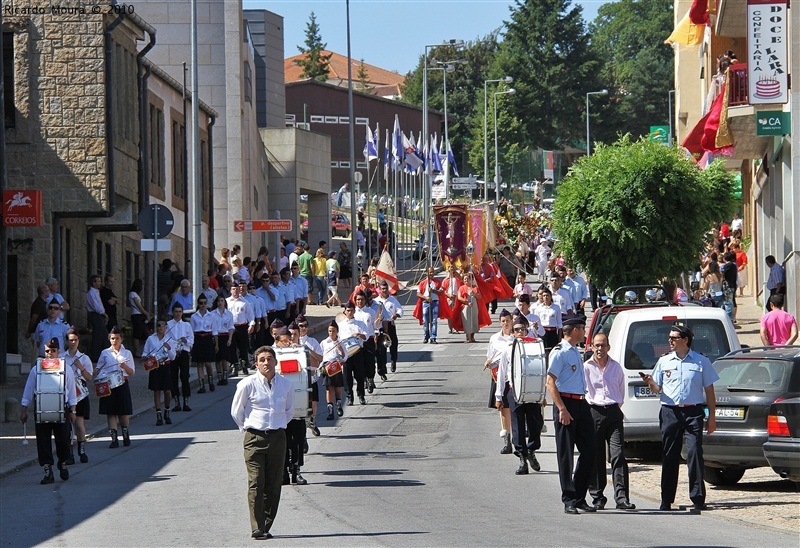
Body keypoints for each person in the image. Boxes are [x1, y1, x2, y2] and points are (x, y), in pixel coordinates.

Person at [640, 324, 718, 513]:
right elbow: (657, 388)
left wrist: (712, 418)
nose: (670, 341)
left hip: (693, 412)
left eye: (674, 338)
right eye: (670, 338)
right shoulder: (664, 361)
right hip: (670, 412)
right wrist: (650, 382)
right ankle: (666, 499)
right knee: (669, 455)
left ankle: (698, 498)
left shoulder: (701, 361)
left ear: (685, 340)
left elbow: (709, 391)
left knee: (694, 454)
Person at [231, 345, 293, 540]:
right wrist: (249, 428)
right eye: (262, 360)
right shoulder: (247, 384)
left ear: (275, 361)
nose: (266, 363)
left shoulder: (286, 384)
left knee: (274, 484)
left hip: (278, 438)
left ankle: (266, 524)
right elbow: (236, 412)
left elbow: (289, 411)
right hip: (254, 438)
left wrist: (277, 425)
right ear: (256, 364)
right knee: (257, 482)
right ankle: (257, 527)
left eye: (269, 359)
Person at [546, 316, 596, 514]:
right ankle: (569, 498)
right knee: (566, 454)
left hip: (581, 402)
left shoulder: (575, 350)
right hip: (565, 403)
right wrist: (561, 408)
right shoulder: (560, 352)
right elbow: (550, 382)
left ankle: (579, 495)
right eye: (583, 329)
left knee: (590, 450)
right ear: (575, 330)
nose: (584, 332)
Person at [584, 333, 635, 510]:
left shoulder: (616, 367)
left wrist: (614, 406)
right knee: (596, 456)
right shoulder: (586, 367)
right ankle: (597, 496)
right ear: (591, 347)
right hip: (594, 411)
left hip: (613, 411)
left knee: (618, 454)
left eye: (603, 345)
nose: (600, 349)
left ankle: (621, 497)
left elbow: (620, 390)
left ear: (608, 347)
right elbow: (584, 391)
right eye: (597, 345)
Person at [20, 338, 78, 484]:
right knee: (43, 441)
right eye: (47, 351)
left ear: (58, 351)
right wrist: (24, 409)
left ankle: (63, 463)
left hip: (61, 408)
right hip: (42, 409)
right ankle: (48, 470)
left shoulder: (66, 368)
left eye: (53, 351)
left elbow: (71, 390)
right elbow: (28, 389)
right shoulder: (36, 369)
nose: (50, 354)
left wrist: (73, 409)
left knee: (63, 439)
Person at [495, 315, 543, 475]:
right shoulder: (508, 350)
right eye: (516, 330)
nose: (520, 332)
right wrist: (498, 396)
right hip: (514, 391)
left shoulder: (535, 345)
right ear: (513, 332)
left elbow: (541, 369)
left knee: (536, 424)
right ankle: (522, 458)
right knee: (518, 427)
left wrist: (542, 393)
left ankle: (531, 450)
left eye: (522, 328)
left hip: (532, 390)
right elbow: (502, 374)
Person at [95, 327, 136, 448]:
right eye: (112, 338)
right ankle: (114, 439)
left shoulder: (127, 353)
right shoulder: (105, 353)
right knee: (111, 412)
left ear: (121, 339)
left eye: (117, 338)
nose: (115, 340)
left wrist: (124, 366)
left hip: (122, 383)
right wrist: (95, 372)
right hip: (109, 384)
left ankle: (125, 435)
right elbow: (99, 367)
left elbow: (132, 372)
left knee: (123, 412)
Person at [485, 310, 515, 454]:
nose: (506, 323)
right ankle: (507, 439)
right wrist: (488, 361)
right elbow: (489, 356)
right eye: (503, 321)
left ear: (512, 320)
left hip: (514, 377)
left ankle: (518, 438)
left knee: (516, 407)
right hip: (499, 376)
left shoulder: (516, 337)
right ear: (500, 322)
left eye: (508, 320)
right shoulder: (494, 338)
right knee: (503, 407)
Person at [62, 329, 93, 463]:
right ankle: (69, 454)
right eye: (71, 340)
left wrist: (81, 367)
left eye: (75, 340)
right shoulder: (62, 357)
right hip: (67, 392)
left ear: (78, 341)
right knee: (67, 425)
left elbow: (89, 378)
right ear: (67, 341)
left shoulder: (84, 358)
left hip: (80, 392)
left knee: (79, 425)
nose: (73, 342)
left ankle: (81, 450)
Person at [143, 317, 176, 426]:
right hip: (155, 367)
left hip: (165, 366)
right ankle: (158, 415)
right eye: (158, 325)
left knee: (167, 391)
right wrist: (148, 358)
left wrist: (169, 348)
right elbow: (145, 353)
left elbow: (173, 357)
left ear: (166, 327)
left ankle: (167, 410)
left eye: (162, 325)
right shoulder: (151, 339)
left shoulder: (170, 339)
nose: (160, 328)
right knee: (156, 390)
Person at [337, 301, 368, 405]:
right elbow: (338, 339)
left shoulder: (360, 323)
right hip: (346, 354)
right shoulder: (340, 325)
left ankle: (361, 396)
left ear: (354, 311)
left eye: (351, 310)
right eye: (348, 310)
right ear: (344, 312)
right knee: (347, 377)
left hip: (358, 352)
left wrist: (359, 334)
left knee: (359, 375)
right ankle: (349, 397)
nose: (350, 312)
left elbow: (366, 336)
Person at [167, 303, 194, 412]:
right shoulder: (169, 324)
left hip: (183, 352)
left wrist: (186, 341)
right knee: (173, 377)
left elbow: (191, 339)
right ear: (173, 312)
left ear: (182, 312)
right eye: (176, 311)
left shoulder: (186, 325)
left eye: (179, 311)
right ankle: (176, 401)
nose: (178, 314)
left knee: (185, 376)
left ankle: (186, 401)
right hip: (173, 353)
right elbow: (167, 339)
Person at [373, 281, 403, 375]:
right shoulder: (376, 301)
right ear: (379, 290)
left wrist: (396, 314)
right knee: (381, 348)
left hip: (390, 325)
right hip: (380, 326)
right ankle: (383, 367)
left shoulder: (393, 300)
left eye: (386, 289)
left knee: (393, 344)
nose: (384, 291)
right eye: (382, 289)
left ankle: (393, 360)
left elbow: (400, 309)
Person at [227, 282, 255, 377]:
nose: (235, 291)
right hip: (231, 328)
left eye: (237, 289)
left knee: (243, 347)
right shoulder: (226, 302)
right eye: (233, 289)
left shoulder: (244, 302)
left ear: (239, 290)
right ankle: (234, 366)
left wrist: (251, 325)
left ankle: (244, 365)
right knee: (232, 348)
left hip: (242, 327)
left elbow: (250, 315)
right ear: (230, 290)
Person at [320, 321, 346, 419]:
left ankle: (338, 403)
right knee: (329, 388)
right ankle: (330, 410)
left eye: (333, 331)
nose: (331, 333)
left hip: (336, 368)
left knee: (337, 387)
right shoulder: (324, 343)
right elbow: (320, 355)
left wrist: (341, 350)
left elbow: (345, 356)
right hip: (327, 368)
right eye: (329, 331)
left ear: (337, 331)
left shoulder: (340, 342)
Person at [191, 295, 217, 393]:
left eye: (204, 303)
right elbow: (192, 331)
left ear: (207, 304)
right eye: (201, 303)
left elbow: (214, 331)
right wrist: (191, 345)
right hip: (198, 338)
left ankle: (210, 381)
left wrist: (216, 344)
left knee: (208, 363)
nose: (203, 305)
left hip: (207, 338)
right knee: (199, 363)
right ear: (198, 304)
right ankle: (201, 385)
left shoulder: (211, 316)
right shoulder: (194, 316)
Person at [354, 291, 378, 394]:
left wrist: (376, 336)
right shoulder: (352, 313)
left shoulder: (371, 312)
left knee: (370, 361)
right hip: (357, 341)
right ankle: (363, 379)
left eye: (362, 299)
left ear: (365, 300)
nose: (360, 301)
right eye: (358, 299)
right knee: (359, 363)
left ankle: (370, 378)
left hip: (369, 340)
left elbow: (375, 325)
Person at [415, 267, 443, 344]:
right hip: (425, 303)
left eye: (432, 272)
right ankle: (426, 336)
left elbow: (441, 292)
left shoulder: (437, 282)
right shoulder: (423, 283)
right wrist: (426, 298)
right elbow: (418, 293)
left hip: (435, 302)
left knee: (434, 321)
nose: (431, 274)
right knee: (425, 321)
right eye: (430, 272)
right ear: (426, 273)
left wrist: (433, 291)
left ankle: (433, 337)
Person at [212, 295, 235, 386]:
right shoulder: (213, 314)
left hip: (225, 336)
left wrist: (230, 338)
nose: (220, 303)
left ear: (224, 302)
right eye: (218, 301)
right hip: (216, 336)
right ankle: (219, 377)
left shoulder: (229, 314)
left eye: (222, 301)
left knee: (224, 358)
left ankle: (225, 376)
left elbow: (231, 327)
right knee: (218, 359)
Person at [86, 274, 108, 362]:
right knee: (98, 336)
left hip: (99, 315)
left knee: (103, 335)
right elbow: (96, 306)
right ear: (93, 283)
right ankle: (95, 355)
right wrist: (103, 313)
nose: (100, 283)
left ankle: (103, 354)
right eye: (98, 281)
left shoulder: (97, 292)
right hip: (95, 315)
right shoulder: (91, 293)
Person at [129, 279, 151, 357]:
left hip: (139, 315)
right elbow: (138, 304)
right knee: (137, 333)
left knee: (143, 332)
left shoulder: (136, 294)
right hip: (136, 315)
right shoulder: (132, 294)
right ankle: (137, 351)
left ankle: (142, 350)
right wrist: (145, 312)